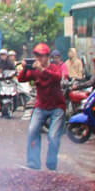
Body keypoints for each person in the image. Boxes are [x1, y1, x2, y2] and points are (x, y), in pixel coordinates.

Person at [18, 43, 68, 171]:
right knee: (32, 130)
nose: (38, 58)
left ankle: (51, 165)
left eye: (41, 56)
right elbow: (21, 79)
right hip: (41, 105)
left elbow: (57, 78)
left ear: (47, 57)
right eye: (36, 56)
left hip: (57, 106)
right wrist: (25, 68)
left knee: (53, 136)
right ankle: (33, 163)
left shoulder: (55, 67)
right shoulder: (34, 69)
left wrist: (43, 69)